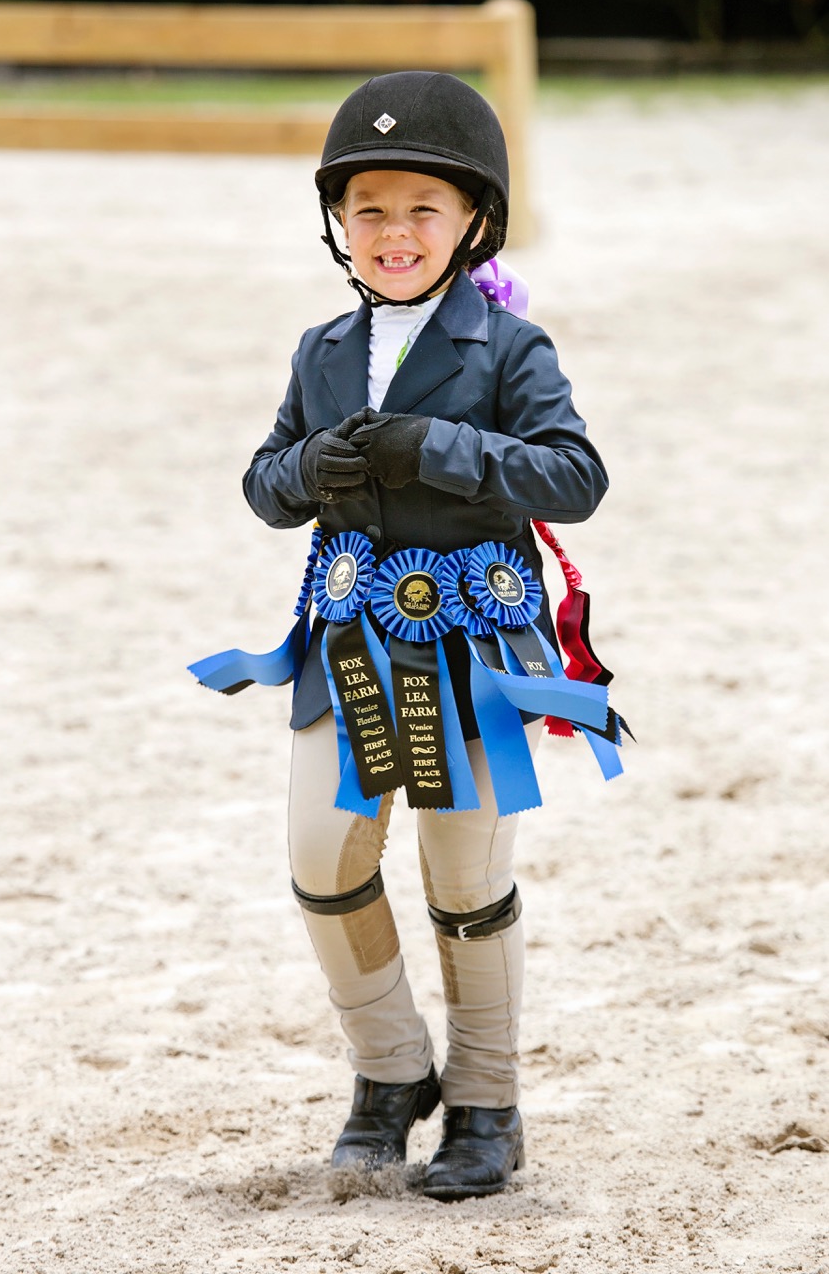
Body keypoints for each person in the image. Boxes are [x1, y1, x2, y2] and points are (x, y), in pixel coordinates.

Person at [241, 71, 609, 1200]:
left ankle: (488, 1099)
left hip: (471, 647)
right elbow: (263, 482)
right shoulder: (318, 348)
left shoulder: (508, 347)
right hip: (349, 643)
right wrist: (311, 468)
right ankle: (390, 1069)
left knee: (463, 874)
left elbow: (572, 475)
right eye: (368, 211)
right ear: (337, 226)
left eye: (420, 211)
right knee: (320, 855)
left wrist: (435, 449)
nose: (392, 233)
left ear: (471, 223)